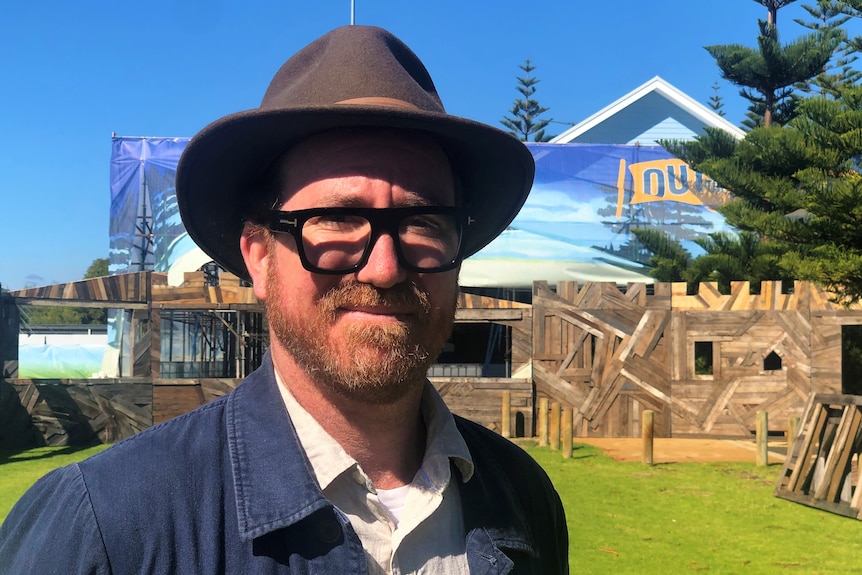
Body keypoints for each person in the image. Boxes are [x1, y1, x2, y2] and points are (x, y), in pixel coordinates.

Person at [0, 25, 568, 574]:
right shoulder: (104, 529)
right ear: (258, 257)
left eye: (424, 221)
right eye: (338, 219)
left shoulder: (520, 496)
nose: (386, 266)